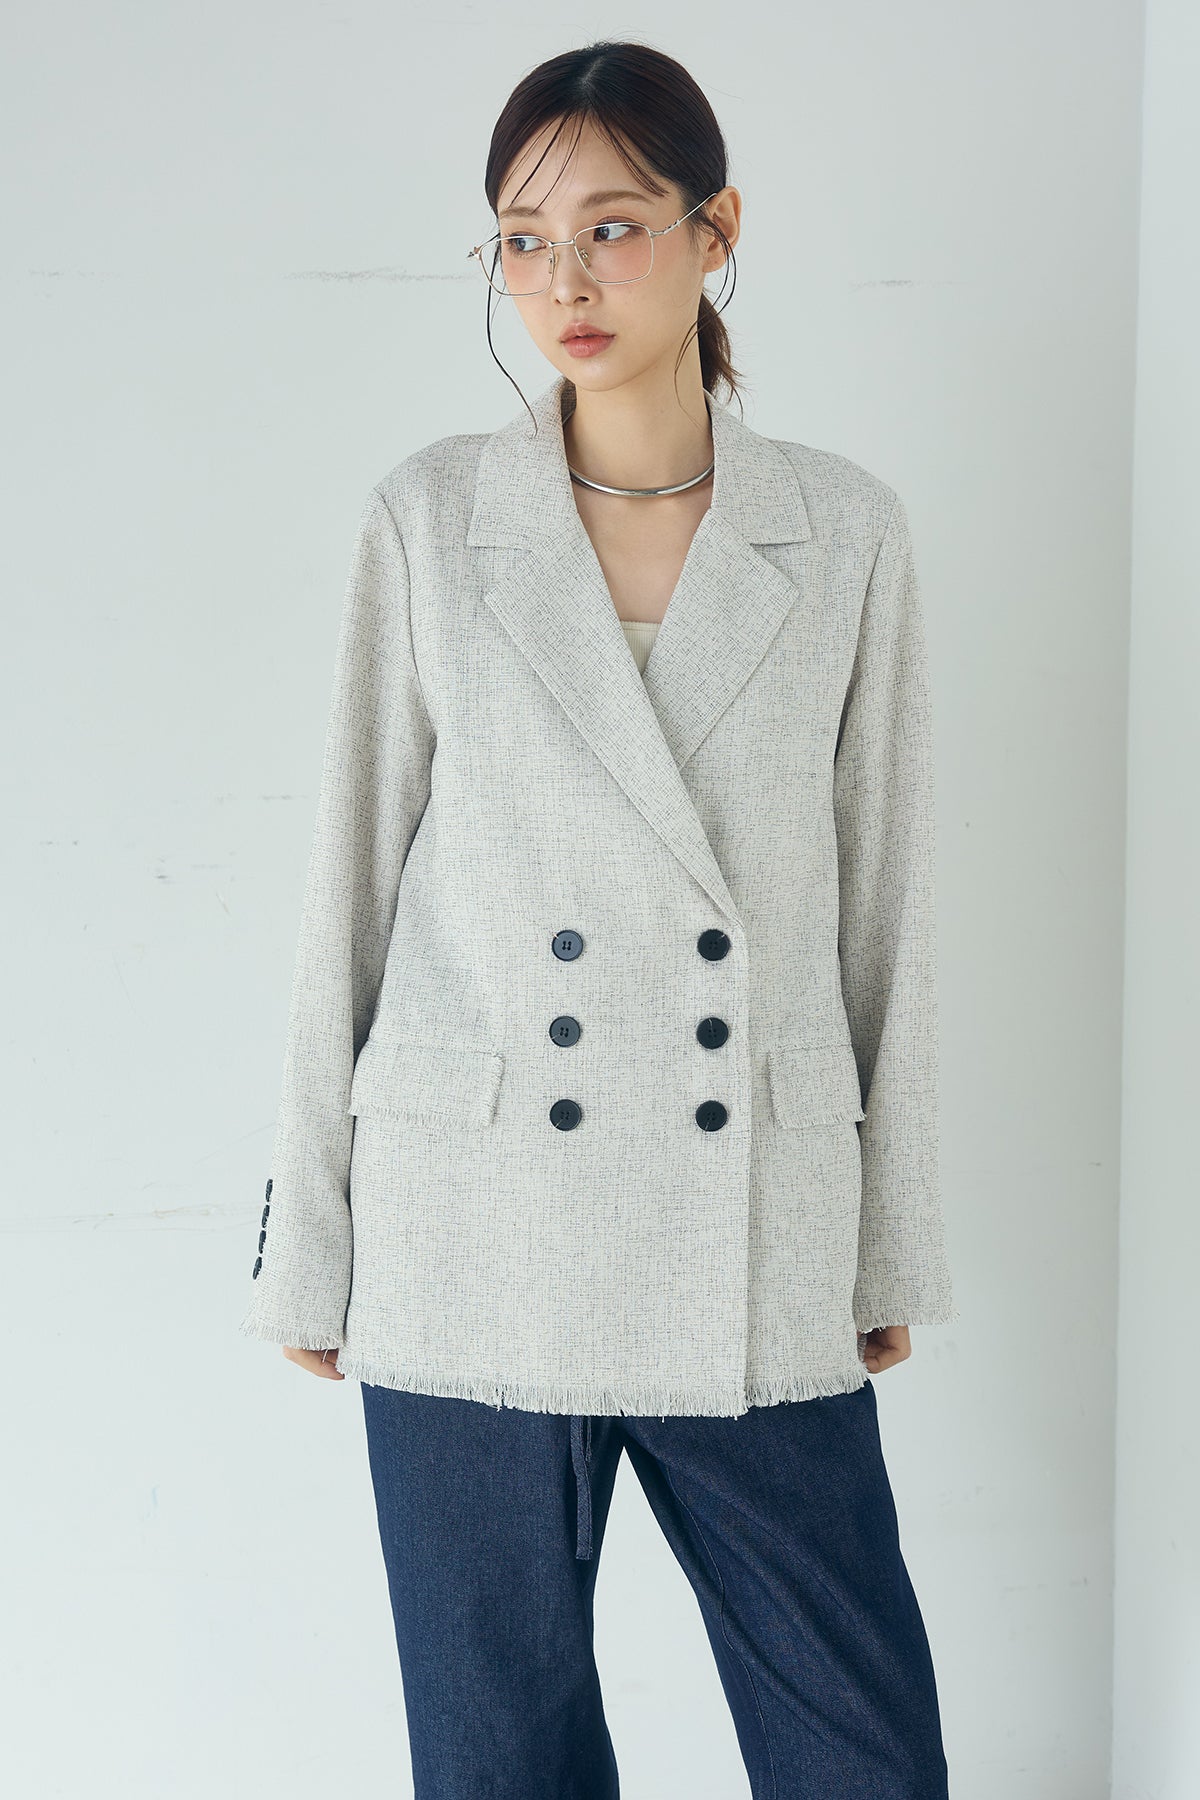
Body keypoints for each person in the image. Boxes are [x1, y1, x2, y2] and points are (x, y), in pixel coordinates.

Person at [239, 38, 958, 1800]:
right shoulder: (431, 521)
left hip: (755, 1231)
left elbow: (888, 907)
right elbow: (345, 891)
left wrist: (891, 1239)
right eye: (523, 238)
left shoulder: (842, 534)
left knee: (864, 1755)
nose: (564, 280)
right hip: (476, 1228)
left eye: (615, 227)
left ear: (719, 232)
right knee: (499, 1764)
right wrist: (310, 1241)